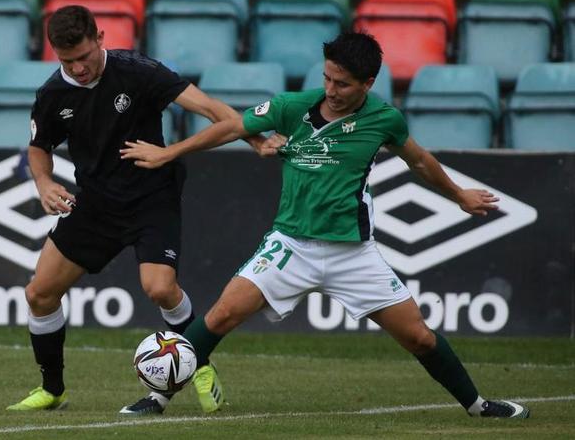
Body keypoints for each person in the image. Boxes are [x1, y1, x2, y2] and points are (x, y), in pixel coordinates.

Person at [120, 32, 531, 419]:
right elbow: (233, 126)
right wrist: (170, 152)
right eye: (327, 78)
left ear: (368, 83)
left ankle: (478, 406)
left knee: (419, 338)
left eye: (343, 84)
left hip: (353, 253)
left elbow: (419, 160)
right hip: (290, 247)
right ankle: (158, 395)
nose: (331, 90)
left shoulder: (385, 120)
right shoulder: (293, 106)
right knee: (221, 315)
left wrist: (459, 194)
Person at [7, 5, 268, 413]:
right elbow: (39, 148)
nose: (76, 68)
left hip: (151, 198)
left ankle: (198, 364)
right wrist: (44, 182)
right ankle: (53, 389)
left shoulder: (139, 71)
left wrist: (253, 138)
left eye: (83, 57)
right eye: (66, 61)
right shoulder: (52, 94)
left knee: (159, 288)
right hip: (95, 204)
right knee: (40, 294)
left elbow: (211, 109)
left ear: (100, 37)